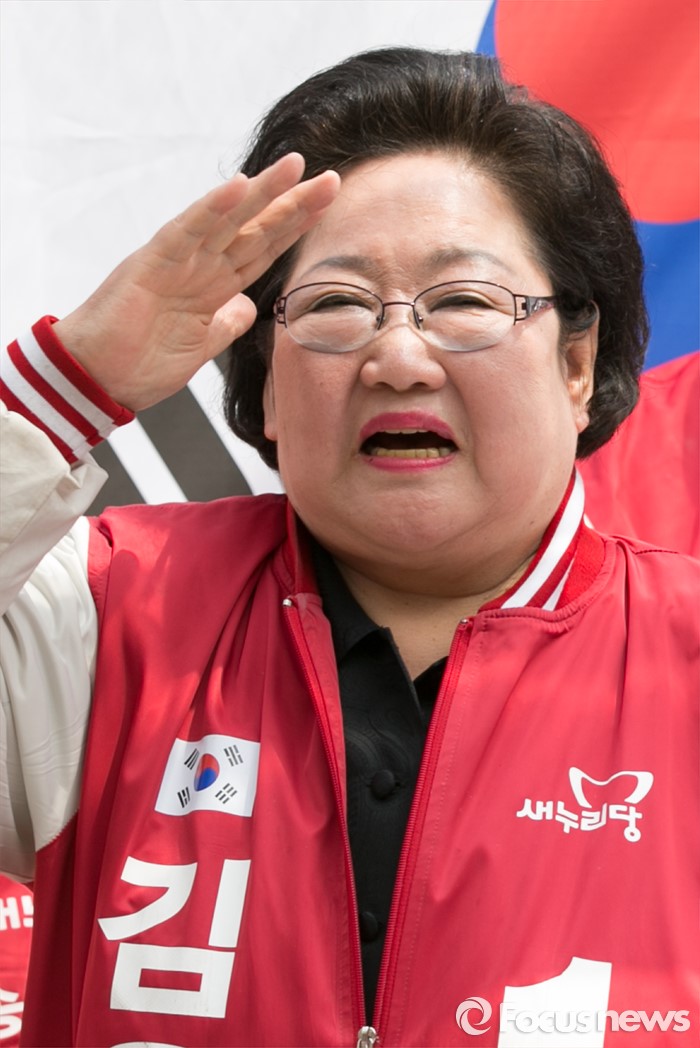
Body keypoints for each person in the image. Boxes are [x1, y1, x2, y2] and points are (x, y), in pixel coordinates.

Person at [0, 47, 697, 1047]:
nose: (398, 357)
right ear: (264, 384)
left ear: (576, 363)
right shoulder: (104, 615)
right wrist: (71, 382)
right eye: (334, 305)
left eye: (463, 302)